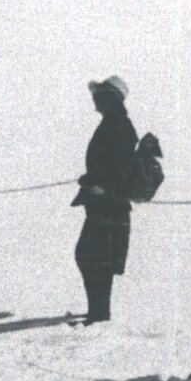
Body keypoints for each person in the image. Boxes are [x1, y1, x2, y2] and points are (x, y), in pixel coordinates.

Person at [72, 76, 137, 324]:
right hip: (105, 202)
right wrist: (91, 179)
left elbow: (121, 167)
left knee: (93, 256)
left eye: (98, 96)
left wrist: (102, 185)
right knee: (95, 256)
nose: (95, 100)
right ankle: (97, 311)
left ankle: (99, 314)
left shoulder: (118, 126)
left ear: (110, 99)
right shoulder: (115, 123)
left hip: (110, 203)